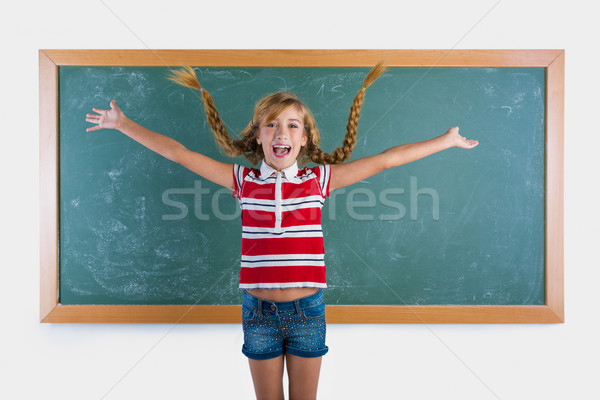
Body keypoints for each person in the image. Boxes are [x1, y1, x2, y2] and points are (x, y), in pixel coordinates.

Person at [86, 63, 478, 400]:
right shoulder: (242, 181)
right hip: (258, 313)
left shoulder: (318, 180)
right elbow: (179, 154)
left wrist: (445, 141)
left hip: (307, 312)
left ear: (304, 139)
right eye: (270, 125)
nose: (281, 133)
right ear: (258, 136)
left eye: (292, 126)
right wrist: (123, 124)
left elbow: (386, 161)